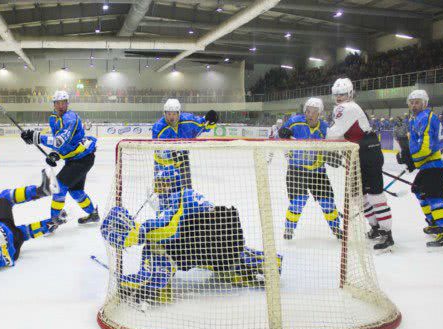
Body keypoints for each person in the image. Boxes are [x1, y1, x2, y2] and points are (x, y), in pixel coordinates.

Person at [100, 165, 282, 306]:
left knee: (155, 245)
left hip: (206, 247)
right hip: (221, 246)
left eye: (164, 184)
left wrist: (137, 233)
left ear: (174, 184)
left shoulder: (180, 197)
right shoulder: (189, 195)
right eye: (158, 184)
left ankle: (153, 280)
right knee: (215, 246)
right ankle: (263, 261)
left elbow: (168, 229)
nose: (160, 189)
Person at [326, 78, 393, 251]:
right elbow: (341, 135)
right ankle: (376, 227)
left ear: (349, 93)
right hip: (356, 153)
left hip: (367, 152)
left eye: (342, 94)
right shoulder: (342, 108)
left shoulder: (348, 107)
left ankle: (387, 233)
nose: (339, 98)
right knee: (358, 196)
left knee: (375, 196)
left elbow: (333, 135)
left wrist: (321, 143)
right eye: (336, 95)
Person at [20, 90, 99, 225]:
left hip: (82, 159)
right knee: (76, 191)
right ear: (54, 104)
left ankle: (54, 221)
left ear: (67, 104)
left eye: (63, 103)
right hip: (74, 159)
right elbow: (59, 143)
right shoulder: (53, 118)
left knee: (60, 187)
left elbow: (60, 140)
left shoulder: (70, 118)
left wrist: (37, 137)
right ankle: (93, 214)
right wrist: (54, 154)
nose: (61, 105)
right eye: (58, 103)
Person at [278, 98, 342, 240]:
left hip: (317, 172)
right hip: (296, 170)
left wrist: (332, 156)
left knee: (328, 202)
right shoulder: (295, 121)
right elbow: (280, 134)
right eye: (308, 111)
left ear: (319, 113)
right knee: (298, 201)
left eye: (314, 112)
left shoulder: (325, 128)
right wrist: (283, 133)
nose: (310, 114)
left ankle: (336, 227)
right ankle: (289, 228)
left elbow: (332, 149)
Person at [397, 90, 443, 249]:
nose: (414, 105)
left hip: (437, 163)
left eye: (417, 102)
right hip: (431, 163)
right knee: (418, 189)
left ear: (425, 103)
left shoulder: (426, 118)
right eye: (412, 102)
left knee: (434, 196)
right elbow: (417, 145)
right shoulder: (416, 119)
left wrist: (412, 161)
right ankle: (434, 222)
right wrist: (407, 155)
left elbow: (425, 148)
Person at [152, 99, 218, 189]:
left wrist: (210, 121)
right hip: (162, 165)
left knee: (186, 192)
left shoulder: (188, 121)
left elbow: (203, 124)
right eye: (169, 114)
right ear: (164, 113)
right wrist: (172, 153)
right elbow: (158, 149)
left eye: (174, 114)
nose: (171, 117)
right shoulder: (158, 127)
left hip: (182, 162)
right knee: (165, 195)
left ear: (179, 113)